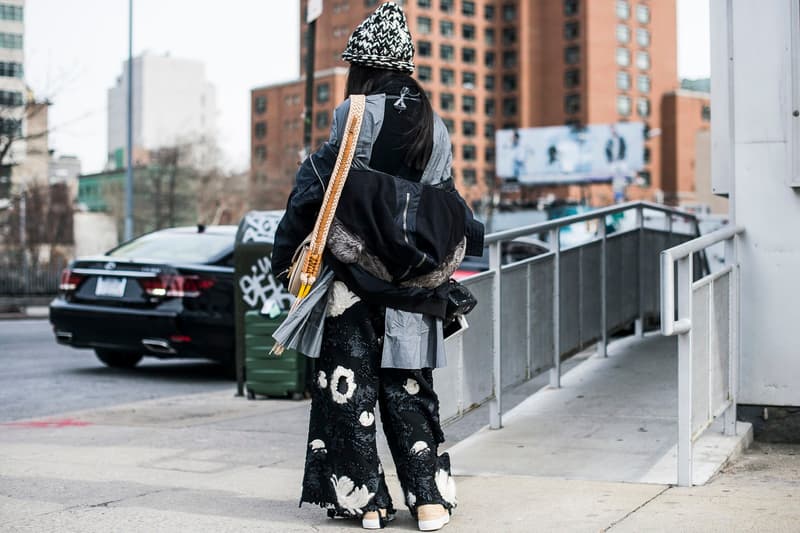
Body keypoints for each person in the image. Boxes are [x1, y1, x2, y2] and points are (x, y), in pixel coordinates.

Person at [270, 3, 484, 531]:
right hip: (416, 283)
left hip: (352, 282)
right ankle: (430, 501)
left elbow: (315, 187)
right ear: (405, 66)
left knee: (350, 388)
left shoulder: (355, 115)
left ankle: (366, 502)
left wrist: (285, 260)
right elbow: (450, 201)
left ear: (360, 68)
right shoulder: (437, 127)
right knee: (410, 389)